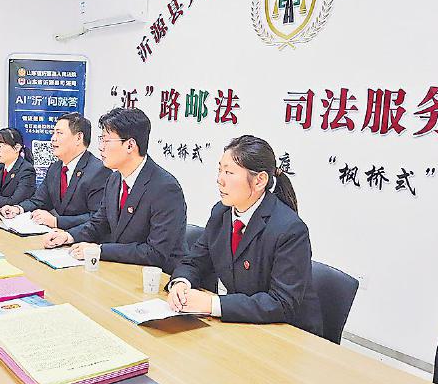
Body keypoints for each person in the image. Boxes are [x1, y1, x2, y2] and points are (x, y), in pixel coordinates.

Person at [167, 135, 323, 332]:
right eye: (220, 170)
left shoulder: (289, 229)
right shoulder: (221, 213)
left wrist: (213, 304)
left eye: (229, 172)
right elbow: (195, 261)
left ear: (259, 181)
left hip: (287, 333)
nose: (219, 180)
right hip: (245, 325)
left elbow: (281, 303)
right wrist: (181, 283)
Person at [43, 108, 186, 273]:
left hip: (157, 278)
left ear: (130, 145)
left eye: (106, 140)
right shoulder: (114, 179)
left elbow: (155, 253)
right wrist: (68, 236)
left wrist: (100, 250)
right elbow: (99, 222)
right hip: (121, 269)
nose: (100, 147)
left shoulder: (165, 188)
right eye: (101, 140)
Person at [0, 112, 110, 230]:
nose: (53, 138)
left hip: (82, 238)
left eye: (59, 133)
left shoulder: (99, 171)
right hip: (55, 235)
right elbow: (39, 200)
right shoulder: (55, 168)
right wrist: (17, 209)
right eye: (53, 133)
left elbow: (97, 218)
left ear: (78, 138)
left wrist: (56, 221)